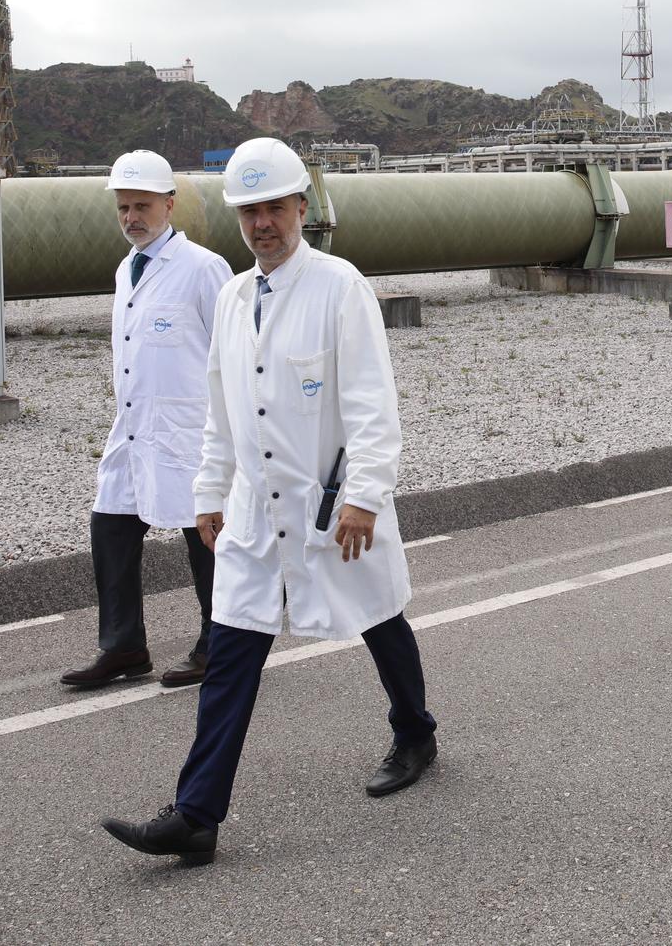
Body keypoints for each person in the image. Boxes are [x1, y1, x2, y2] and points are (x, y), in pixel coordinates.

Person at [103, 136, 438, 865]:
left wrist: (366, 495)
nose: (263, 224)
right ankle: (197, 814)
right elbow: (220, 410)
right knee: (231, 652)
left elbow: (372, 403)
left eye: (274, 208)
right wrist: (208, 490)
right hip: (256, 512)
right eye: (249, 211)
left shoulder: (339, 286)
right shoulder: (229, 298)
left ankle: (414, 730)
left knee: (379, 618)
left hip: (331, 502)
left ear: (302, 207)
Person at [63, 150, 234, 692]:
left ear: (169, 204)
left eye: (141, 206)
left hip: (190, 430)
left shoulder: (203, 269)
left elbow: (232, 356)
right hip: (134, 428)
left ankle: (219, 643)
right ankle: (124, 646)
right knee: (111, 522)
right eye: (123, 207)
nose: (131, 217)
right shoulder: (126, 268)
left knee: (203, 532)